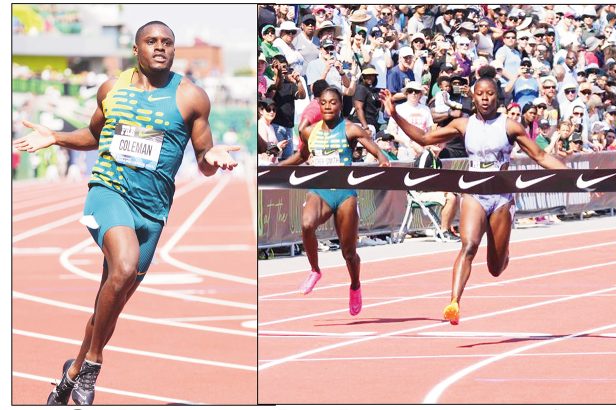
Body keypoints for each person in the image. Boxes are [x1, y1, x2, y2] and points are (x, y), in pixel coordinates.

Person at [13, 21, 239, 405]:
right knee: (123, 266)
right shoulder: (110, 88)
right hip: (108, 192)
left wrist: (212, 158)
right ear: (136, 49)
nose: (160, 48)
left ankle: (71, 373)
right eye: (151, 41)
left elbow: (202, 159)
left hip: (153, 210)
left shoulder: (191, 97)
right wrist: (57, 137)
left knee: (111, 300)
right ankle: (94, 365)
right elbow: (93, 135)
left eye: (167, 42)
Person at [381, 77, 567, 325]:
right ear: (473, 96)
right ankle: (453, 303)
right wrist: (394, 115)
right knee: (468, 246)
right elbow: (425, 139)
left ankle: (504, 251)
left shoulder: (509, 126)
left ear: (496, 97)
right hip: (474, 193)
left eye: (490, 93)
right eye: (480, 94)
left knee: (495, 268)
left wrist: (575, 178)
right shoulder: (463, 124)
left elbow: (541, 155)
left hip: (501, 197)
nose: (485, 98)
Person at [279, 87, 389, 316]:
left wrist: (381, 158)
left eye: (333, 103)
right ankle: (315, 270)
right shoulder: (309, 132)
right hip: (319, 191)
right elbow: (301, 157)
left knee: (348, 252)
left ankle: (355, 285)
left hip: (345, 193)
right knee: (307, 224)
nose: (328, 107)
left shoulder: (350, 129)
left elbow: (374, 148)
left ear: (340, 106)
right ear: (319, 105)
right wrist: (276, 169)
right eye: (324, 103)